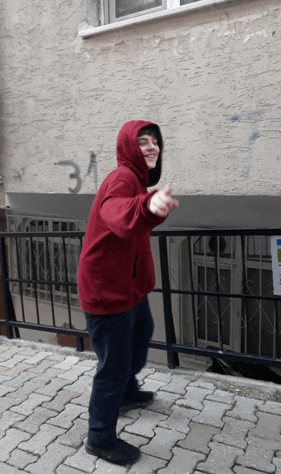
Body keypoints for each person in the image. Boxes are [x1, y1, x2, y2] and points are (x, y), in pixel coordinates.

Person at [77, 120, 179, 465]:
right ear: (129, 148)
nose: (151, 147)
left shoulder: (136, 181)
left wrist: (147, 205)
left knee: (142, 335)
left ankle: (125, 394)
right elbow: (116, 213)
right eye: (143, 142)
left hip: (129, 287)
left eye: (155, 142)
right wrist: (146, 207)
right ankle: (100, 437)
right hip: (107, 291)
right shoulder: (122, 179)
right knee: (113, 366)